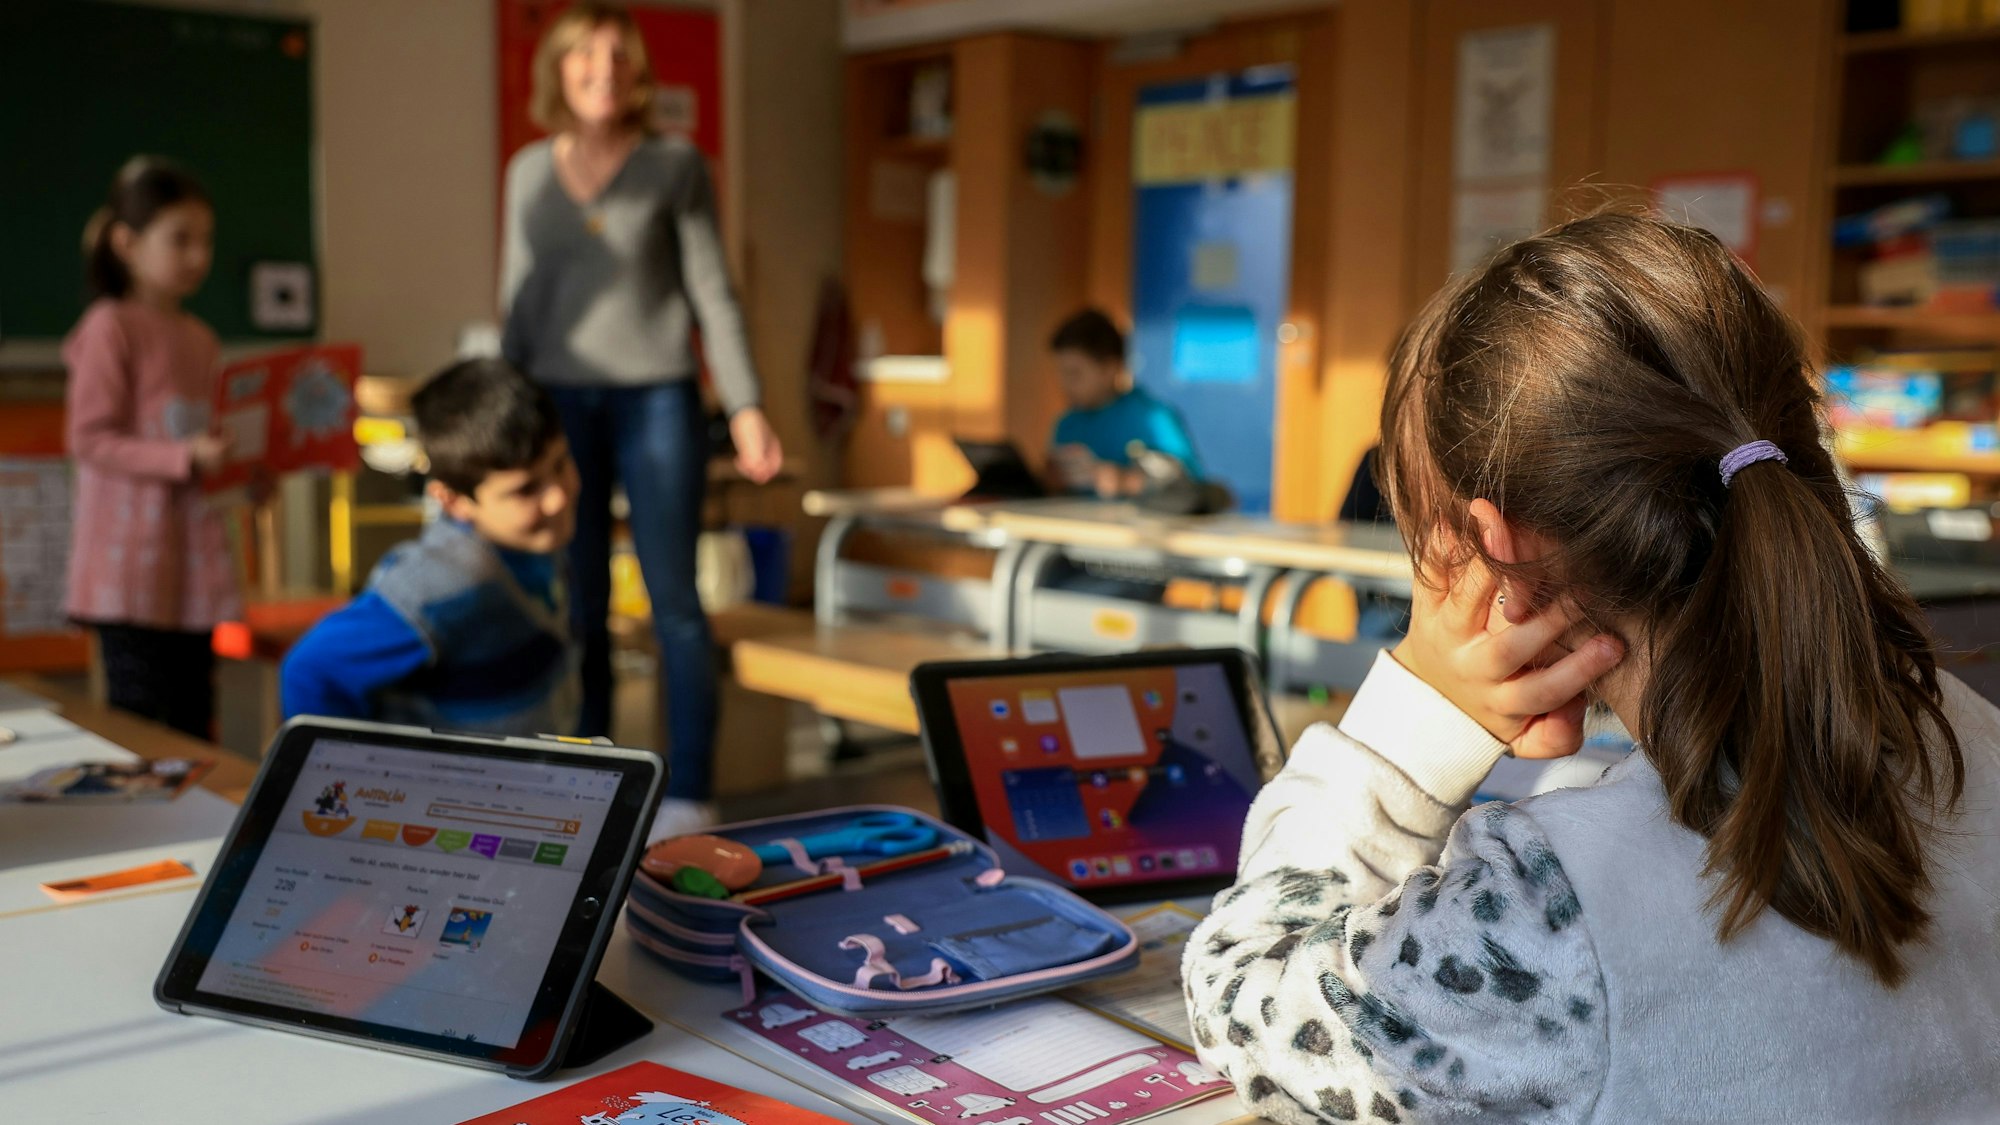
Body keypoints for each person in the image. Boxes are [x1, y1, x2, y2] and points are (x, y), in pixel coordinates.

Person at [1184, 214, 2000, 1121]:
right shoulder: (1967, 733)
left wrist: (1413, 720)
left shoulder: (1552, 911)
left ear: (1500, 546)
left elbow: (1243, 995)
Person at [500, 1, 781, 837]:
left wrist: (747, 406)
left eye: (620, 57)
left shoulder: (675, 164)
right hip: (558, 403)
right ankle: (588, 778)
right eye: (586, 56)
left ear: (640, 74)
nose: (604, 71)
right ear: (558, 70)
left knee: (675, 603)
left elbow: (713, 294)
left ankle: (690, 791)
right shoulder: (528, 172)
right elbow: (518, 302)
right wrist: (502, 416)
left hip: (658, 398)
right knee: (579, 600)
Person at [281, 359, 581, 738]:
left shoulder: (534, 539)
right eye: (525, 490)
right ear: (453, 501)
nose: (557, 498)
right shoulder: (441, 583)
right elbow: (310, 670)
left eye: (560, 464)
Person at [63, 157, 238, 739]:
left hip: (191, 568)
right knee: (137, 720)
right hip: (130, 572)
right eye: (180, 239)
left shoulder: (201, 338)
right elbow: (89, 438)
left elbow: (207, 442)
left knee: (194, 716)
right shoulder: (110, 326)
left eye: (206, 240)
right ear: (127, 243)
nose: (198, 256)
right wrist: (184, 457)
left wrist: (240, 473)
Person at [1046, 308, 1202, 498]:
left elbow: (1192, 487)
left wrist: (1125, 481)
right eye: (1061, 373)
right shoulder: (1067, 425)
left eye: (1075, 374)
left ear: (1110, 369)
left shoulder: (1152, 419)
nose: (1065, 384)